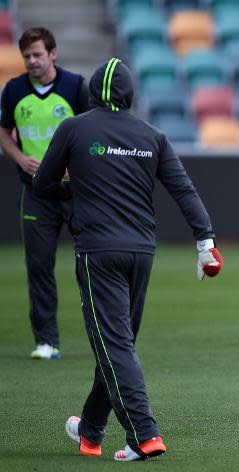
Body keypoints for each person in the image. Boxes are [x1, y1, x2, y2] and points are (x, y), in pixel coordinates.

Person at [33, 58, 223, 461]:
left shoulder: (73, 127)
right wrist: (205, 241)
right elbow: (184, 190)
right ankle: (91, 430)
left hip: (98, 251)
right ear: (130, 95)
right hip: (141, 252)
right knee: (118, 342)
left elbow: (43, 184)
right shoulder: (152, 135)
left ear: (90, 93)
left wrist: (77, 189)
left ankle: (144, 434)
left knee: (113, 343)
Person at [0, 27, 89, 360]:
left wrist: (73, 167)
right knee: (38, 266)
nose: (31, 61)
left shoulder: (75, 87)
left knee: (89, 266)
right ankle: (47, 341)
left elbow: (91, 130)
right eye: (26, 56)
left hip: (75, 193)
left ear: (53, 54)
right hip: (35, 192)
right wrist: (20, 158)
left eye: (37, 54)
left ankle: (102, 335)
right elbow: (4, 132)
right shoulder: (13, 91)